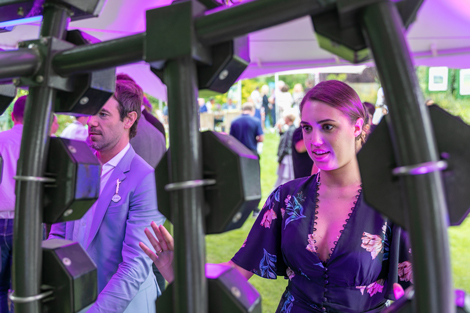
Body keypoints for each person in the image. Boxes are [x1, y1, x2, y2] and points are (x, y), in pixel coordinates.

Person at [143, 80, 413, 313]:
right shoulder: (286, 199)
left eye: (328, 127)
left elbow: (418, 291)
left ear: (357, 127)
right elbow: (238, 270)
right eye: (307, 128)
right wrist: (178, 271)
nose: (315, 140)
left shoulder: (389, 203)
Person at [49, 75, 165, 313]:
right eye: (90, 113)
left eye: (102, 114)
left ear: (129, 119)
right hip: (75, 297)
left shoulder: (145, 179)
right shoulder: (78, 167)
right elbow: (58, 231)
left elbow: (134, 265)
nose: (90, 121)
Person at [0, 95, 27, 313]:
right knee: (25, 287)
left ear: (12, 115)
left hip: (0, 220)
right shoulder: (44, 144)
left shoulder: (1, 139)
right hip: (27, 222)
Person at [274, 112, 297, 188]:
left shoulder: (289, 130)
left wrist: (280, 159)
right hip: (290, 156)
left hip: (287, 157)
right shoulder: (293, 129)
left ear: (288, 119)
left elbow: (285, 145)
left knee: (285, 179)